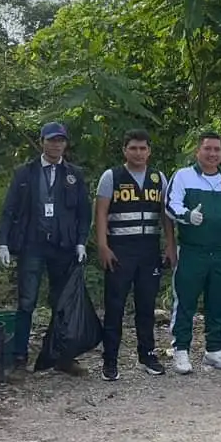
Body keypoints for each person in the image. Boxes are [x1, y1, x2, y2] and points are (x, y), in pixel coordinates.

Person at [0, 122, 91, 375]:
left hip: (63, 246)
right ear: (42, 142)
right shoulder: (24, 173)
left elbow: (84, 212)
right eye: (51, 140)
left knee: (62, 303)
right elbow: (10, 209)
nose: (55, 144)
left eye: (60, 140)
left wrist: (81, 241)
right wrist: (3, 242)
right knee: (26, 302)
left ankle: (61, 356)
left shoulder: (74, 174)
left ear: (65, 143)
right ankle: (19, 357)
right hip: (32, 245)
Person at [94, 129, 176, 381]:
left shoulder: (157, 177)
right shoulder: (111, 177)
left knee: (146, 306)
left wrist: (170, 245)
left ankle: (148, 355)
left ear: (149, 151)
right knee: (115, 306)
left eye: (143, 148)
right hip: (120, 250)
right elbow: (100, 213)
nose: (138, 153)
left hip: (149, 250)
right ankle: (110, 360)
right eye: (133, 148)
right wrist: (103, 246)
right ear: (125, 150)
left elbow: (165, 214)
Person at [165, 131, 221, 374]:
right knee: (186, 301)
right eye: (208, 149)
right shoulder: (183, 176)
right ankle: (181, 349)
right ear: (197, 151)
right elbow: (171, 205)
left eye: (217, 150)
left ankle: (214, 349)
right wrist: (187, 216)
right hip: (193, 250)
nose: (212, 154)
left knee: (218, 301)